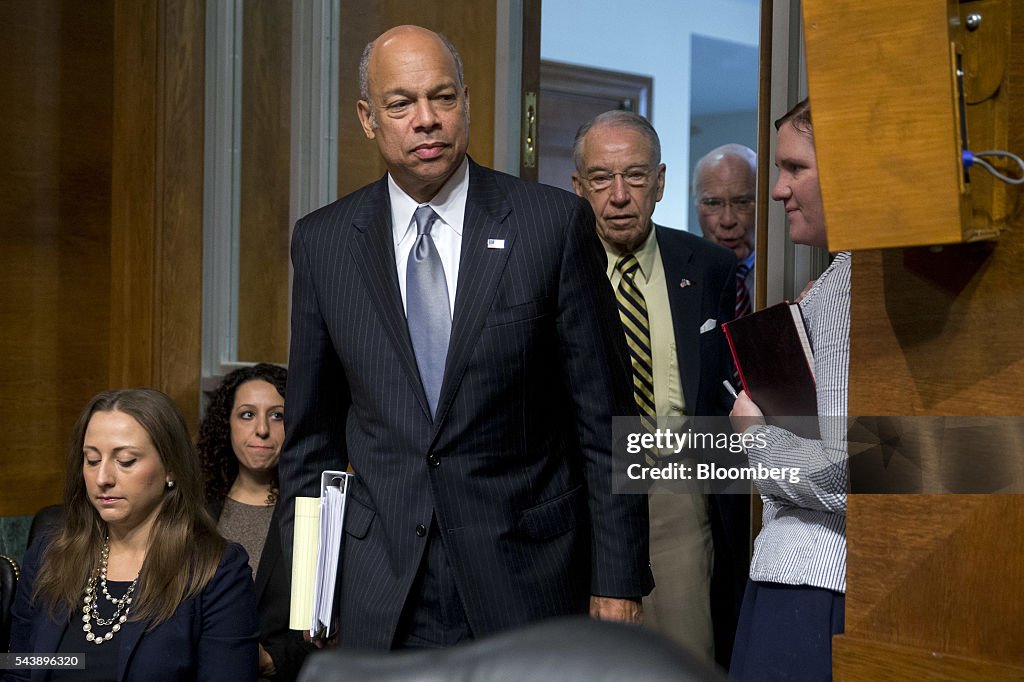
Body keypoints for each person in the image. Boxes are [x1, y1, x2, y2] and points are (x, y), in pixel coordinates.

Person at [278, 25, 652, 651]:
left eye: (442, 98)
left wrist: (618, 582)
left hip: (526, 577)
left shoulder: (550, 226)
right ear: (368, 119)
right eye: (401, 104)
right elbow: (311, 443)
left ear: (466, 103)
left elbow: (606, 423)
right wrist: (312, 591)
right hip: (379, 587)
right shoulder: (324, 244)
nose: (426, 120)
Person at [572, 110, 748, 667]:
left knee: (684, 660)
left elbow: (725, 390)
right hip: (586, 497)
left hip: (679, 484)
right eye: (601, 179)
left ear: (661, 183)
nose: (619, 195)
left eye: (636, 176)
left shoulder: (710, 266)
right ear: (579, 187)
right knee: (595, 664)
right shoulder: (554, 268)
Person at [7, 389, 258, 681]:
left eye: (125, 461)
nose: (103, 479)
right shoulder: (49, 553)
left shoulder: (217, 571)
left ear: (171, 468)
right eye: (91, 460)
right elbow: (19, 670)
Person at [728, 98, 849, 679]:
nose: (777, 190)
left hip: (816, 585)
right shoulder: (839, 278)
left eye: (795, 168)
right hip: (797, 575)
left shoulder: (860, 290)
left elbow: (860, 471)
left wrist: (755, 438)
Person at [198, 364, 312, 681]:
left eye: (277, 416)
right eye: (247, 414)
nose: (262, 429)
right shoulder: (193, 508)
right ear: (227, 424)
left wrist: (273, 660)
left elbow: (332, 628)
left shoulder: (312, 511)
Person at [693, 144, 757, 318]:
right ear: (697, 206)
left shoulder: (785, 272)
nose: (728, 220)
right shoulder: (677, 276)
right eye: (713, 203)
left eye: (743, 202)